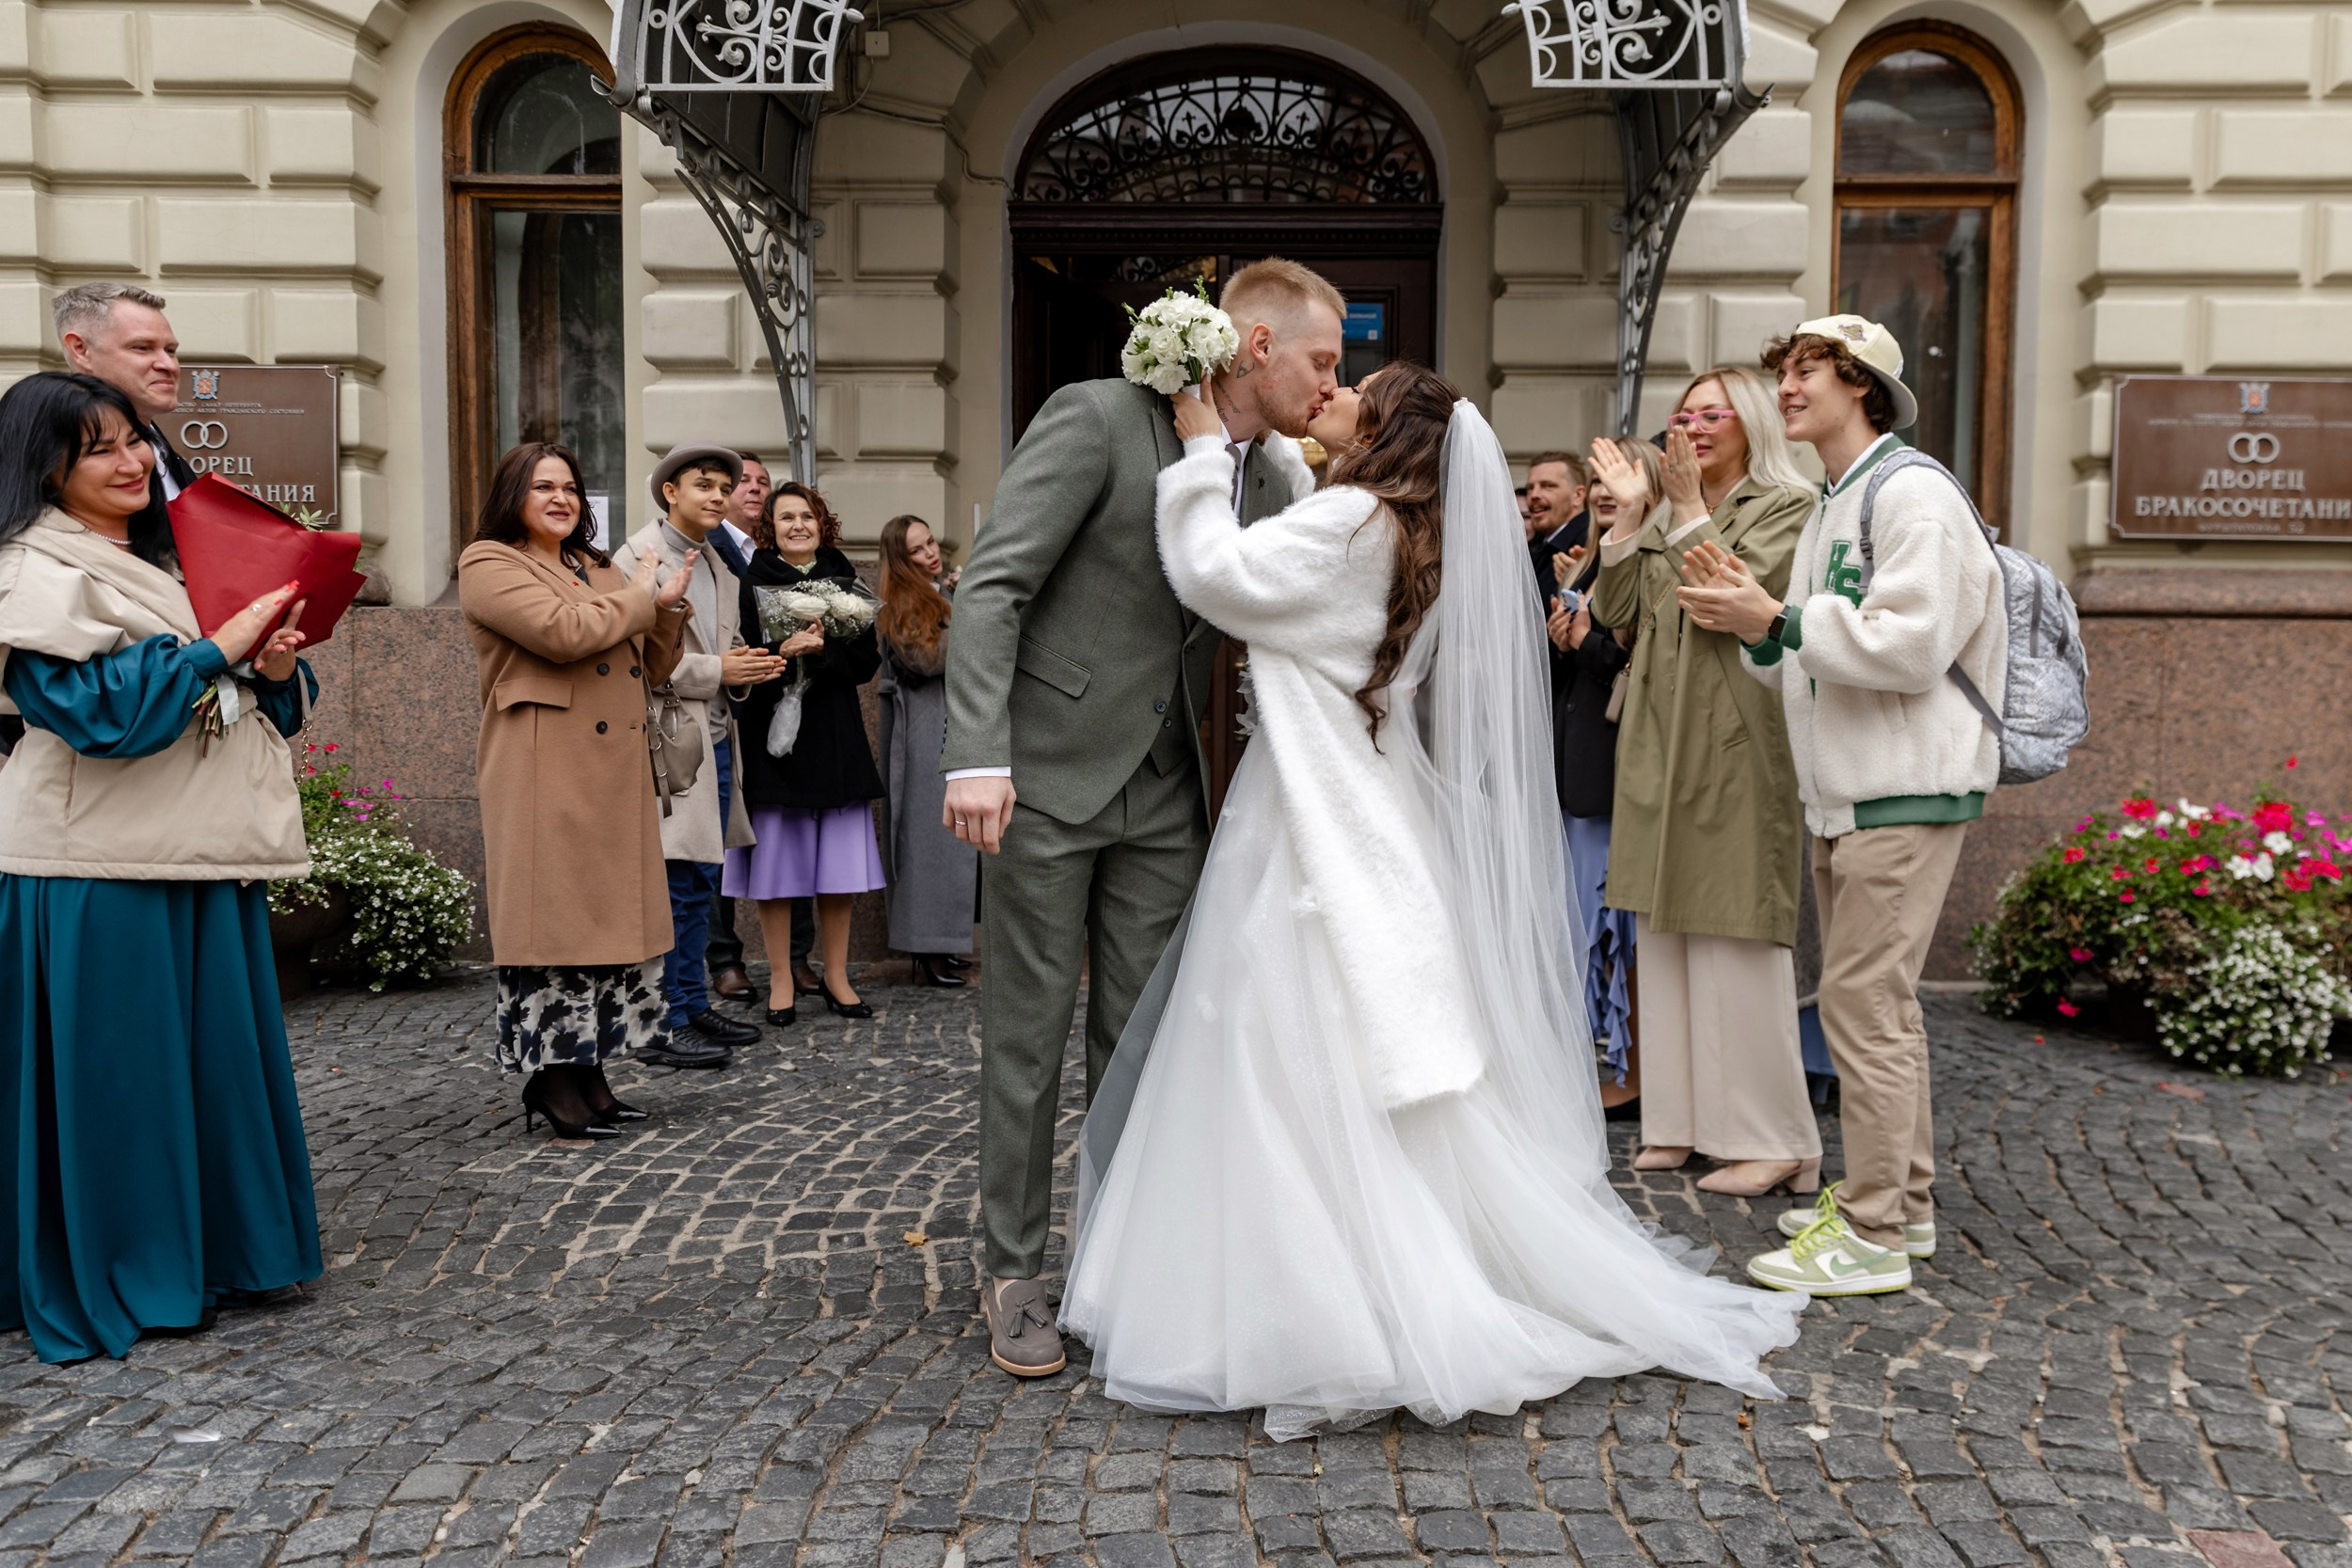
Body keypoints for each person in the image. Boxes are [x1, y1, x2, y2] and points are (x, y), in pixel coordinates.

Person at [1060, 364, 1805, 1436]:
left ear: (1388, 425)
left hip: (1313, 808)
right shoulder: (1405, 524)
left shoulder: (1353, 517)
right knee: (1315, 1033)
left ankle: (1316, 1301)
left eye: (1355, 385)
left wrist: (1193, 454)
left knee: (1285, 1033)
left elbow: (1216, 575)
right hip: (1352, 790)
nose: (1338, 388)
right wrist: (1267, 452)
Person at [941, 256, 1338, 1379]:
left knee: (1148, 1044)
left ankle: (1118, 1264)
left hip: (1169, 790)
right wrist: (975, 752)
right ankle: (1014, 1270)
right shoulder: (1097, 419)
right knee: (1025, 1040)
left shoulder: (1270, 480)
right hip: (1044, 779)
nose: (1330, 380)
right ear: (1255, 345)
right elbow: (995, 584)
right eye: (1322, 357)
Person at [1679, 315, 2007, 1296]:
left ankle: (1870, 1227)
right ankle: (1896, 1207)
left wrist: (1774, 616)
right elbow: (1813, 646)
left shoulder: (1911, 495)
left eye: (1808, 369)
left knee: (1864, 1006)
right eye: (1783, 367)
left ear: (1860, 384)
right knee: (1877, 1006)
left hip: (1900, 784)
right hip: (1853, 789)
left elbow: (1907, 646)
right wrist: (1761, 618)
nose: (1786, 385)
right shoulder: (1840, 498)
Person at [0, 371, 320, 1362]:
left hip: (195, 846)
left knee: (211, 1068)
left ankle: (223, 1250)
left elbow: (256, 698)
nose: (135, 459)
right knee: (125, 1083)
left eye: (137, 438)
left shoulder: (162, 556)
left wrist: (268, 667)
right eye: (101, 446)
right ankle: (131, 1266)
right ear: (42, 463)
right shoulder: (28, 568)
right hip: (94, 863)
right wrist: (217, 648)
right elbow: (94, 713)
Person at [1589, 364, 1820, 1199]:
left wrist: (1681, 511)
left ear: (1753, 422)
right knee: (1667, 928)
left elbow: (1718, 598)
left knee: (1732, 933)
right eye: (1682, 414)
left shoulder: (1789, 508)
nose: (1692, 427)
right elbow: (1618, 606)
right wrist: (1626, 516)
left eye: (1712, 413)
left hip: (1733, 735)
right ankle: (1683, 1123)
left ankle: (1775, 1138)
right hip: (1658, 733)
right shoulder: (1673, 507)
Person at [460, 442, 707, 1130]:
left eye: (571, 486)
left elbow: (649, 663)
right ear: (514, 494)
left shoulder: (596, 566)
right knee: (556, 929)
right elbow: (564, 633)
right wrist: (639, 599)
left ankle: (590, 1068)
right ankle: (551, 1078)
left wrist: (666, 611)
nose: (562, 498)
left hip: (611, 773)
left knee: (604, 931)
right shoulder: (488, 562)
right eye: (544, 486)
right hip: (545, 770)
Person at [616, 444, 785, 1061]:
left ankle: (690, 1003)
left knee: (702, 879)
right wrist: (721, 667)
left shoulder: (718, 560)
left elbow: (726, 648)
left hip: (712, 740)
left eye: (723, 487)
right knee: (675, 883)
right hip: (666, 742)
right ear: (671, 492)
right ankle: (660, 1018)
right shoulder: (637, 557)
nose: (718, 496)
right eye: (704, 486)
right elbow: (635, 662)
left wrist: (750, 667)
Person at [727, 482, 887, 1026]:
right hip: (776, 743)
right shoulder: (749, 584)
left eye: (808, 516)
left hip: (836, 738)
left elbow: (867, 662)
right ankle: (779, 979)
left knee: (838, 871)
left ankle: (837, 977)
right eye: (786, 517)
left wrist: (824, 651)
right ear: (770, 528)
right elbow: (739, 656)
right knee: (777, 872)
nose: (798, 525)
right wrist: (781, 651)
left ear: (823, 524)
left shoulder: (847, 583)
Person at [1549, 440, 1646, 1115]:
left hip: (1618, 766)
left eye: (1620, 479)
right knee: (1585, 924)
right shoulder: (1584, 559)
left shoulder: (1639, 559)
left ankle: (1633, 1069)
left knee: (1615, 928)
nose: (1603, 492)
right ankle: (1603, 1054)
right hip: (1576, 759)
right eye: (1597, 482)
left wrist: (1584, 643)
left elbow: (1638, 663)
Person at [876, 515, 977, 987]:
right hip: (921, 726)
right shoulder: (901, 599)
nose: (930, 553)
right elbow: (924, 659)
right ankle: (926, 947)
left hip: (944, 720)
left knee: (948, 842)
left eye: (931, 541)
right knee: (925, 838)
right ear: (901, 559)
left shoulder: (937, 590)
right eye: (917, 550)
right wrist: (977, 626)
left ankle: (942, 943)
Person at [705, 450, 772, 1003]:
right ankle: (723, 958)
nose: (753, 489)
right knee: (716, 841)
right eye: (742, 481)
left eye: (761, 482)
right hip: (720, 709)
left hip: (772, 712)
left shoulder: (770, 548)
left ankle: (790, 958)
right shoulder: (708, 545)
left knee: (775, 837)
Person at [54, 283, 195, 514]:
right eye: (142, 348)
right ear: (80, 349)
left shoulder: (165, 453)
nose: (168, 365)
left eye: (170, 350)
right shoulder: (47, 456)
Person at [1525, 450, 1588, 604]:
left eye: (1548, 486)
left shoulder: (1589, 543)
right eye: (1530, 488)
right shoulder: (1540, 545)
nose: (1534, 495)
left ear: (1578, 496)